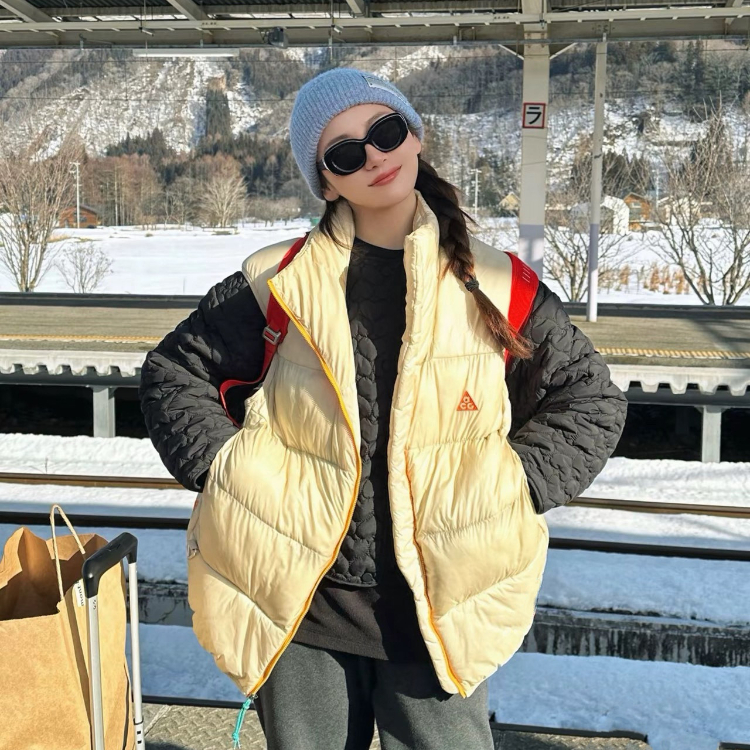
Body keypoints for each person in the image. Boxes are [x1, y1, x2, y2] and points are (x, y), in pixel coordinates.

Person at [139, 67, 628, 750]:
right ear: (326, 182)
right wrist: (232, 473)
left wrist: (509, 486)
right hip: (303, 612)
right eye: (344, 153)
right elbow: (172, 373)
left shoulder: (496, 282)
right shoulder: (277, 280)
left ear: (414, 136)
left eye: (385, 131)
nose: (372, 156)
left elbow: (591, 399)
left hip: (440, 611)